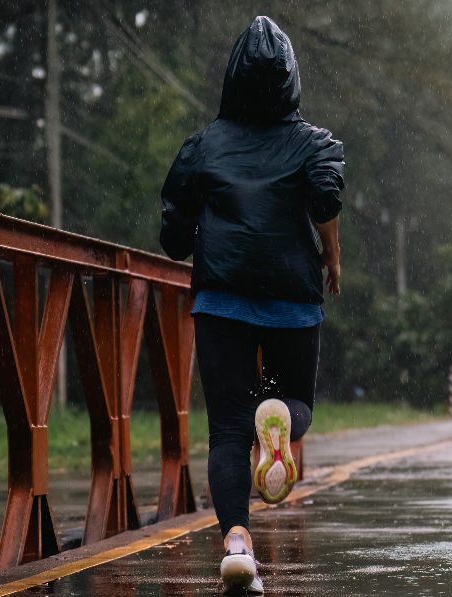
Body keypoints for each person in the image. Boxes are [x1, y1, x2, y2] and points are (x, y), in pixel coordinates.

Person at [159, 15, 344, 595]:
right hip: (291, 295)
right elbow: (325, 199)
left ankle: (237, 543)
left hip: (223, 299)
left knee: (227, 432)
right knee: (298, 405)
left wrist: (196, 235)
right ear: (291, 82)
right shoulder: (314, 143)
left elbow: (173, 230)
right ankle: (283, 424)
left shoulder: (204, 146)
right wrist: (331, 257)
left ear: (231, 79)